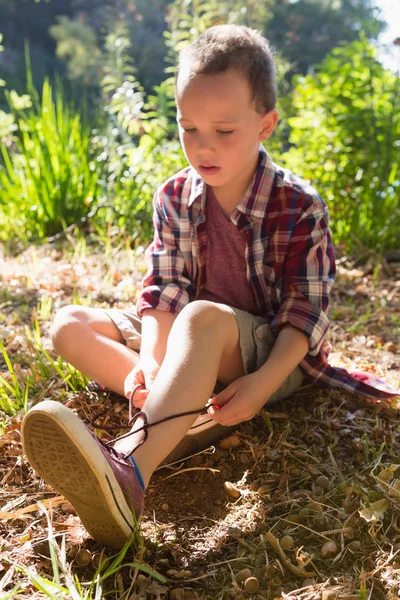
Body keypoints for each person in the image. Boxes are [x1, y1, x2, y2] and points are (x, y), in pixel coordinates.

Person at [21, 24, 398, 549]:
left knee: (200, 317)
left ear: (266, 125)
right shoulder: (174, 196)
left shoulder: (299, 205)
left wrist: (263, 384)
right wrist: (152, 363)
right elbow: (165, 288)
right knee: (68, 326)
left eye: (224, 131)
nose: (203, 147)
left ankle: (129, 467)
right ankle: (173, 405)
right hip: (187, 338)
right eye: (188, 128)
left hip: (265, 353)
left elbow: (304, 315)